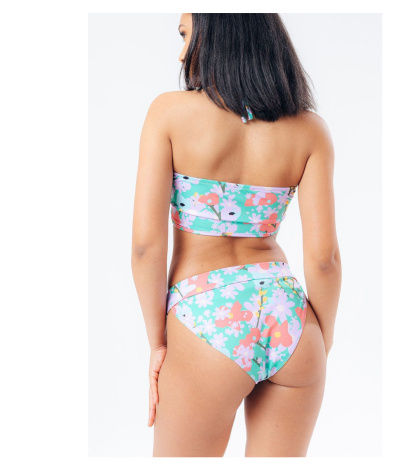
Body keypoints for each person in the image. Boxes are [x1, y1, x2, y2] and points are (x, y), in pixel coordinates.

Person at [131, 13, 342, 457]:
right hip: (289, 316)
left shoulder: (169, 113)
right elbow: (324, 259)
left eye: (187, 36)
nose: (182, 53)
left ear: (219, 35)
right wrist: (318, 343)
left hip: (205, 317)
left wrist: (158, 343)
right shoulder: (309, 130)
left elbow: (146, 247)